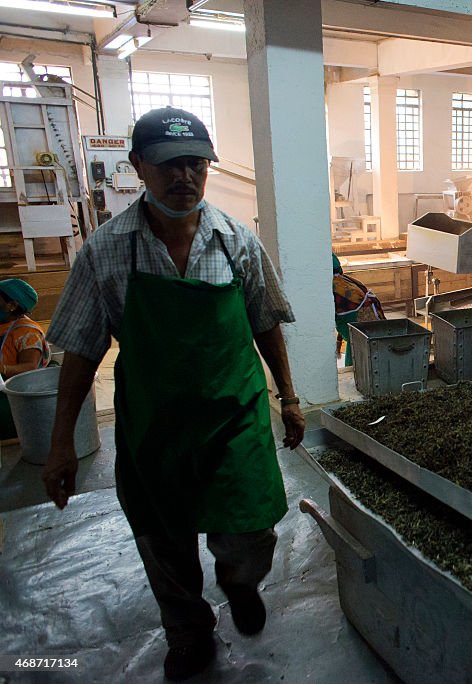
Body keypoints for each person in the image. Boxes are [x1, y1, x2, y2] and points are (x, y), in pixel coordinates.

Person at [40, 107, 305, 681]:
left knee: (249, 525)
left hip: (232, 417)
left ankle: (239, 583)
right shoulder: (106, 251)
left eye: (195, 164)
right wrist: (62, 442)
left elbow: (265, 322)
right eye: (169, 166)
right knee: (165, 542)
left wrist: (288, 396)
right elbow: (81, 350)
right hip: (155, 426)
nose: (184, 177)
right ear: (138, 167)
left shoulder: (237, 241)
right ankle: (188, 631)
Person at [0, 278, 51, 439]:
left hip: (13, 396)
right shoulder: (2, 324)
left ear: (12, 305)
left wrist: (3, 369)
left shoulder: (27, 332)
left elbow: (30, 368)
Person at [332, 253, 384, 364]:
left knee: (357, 361)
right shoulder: (346, 281)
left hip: (361, 326)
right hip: (374, 324)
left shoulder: (334, 286)